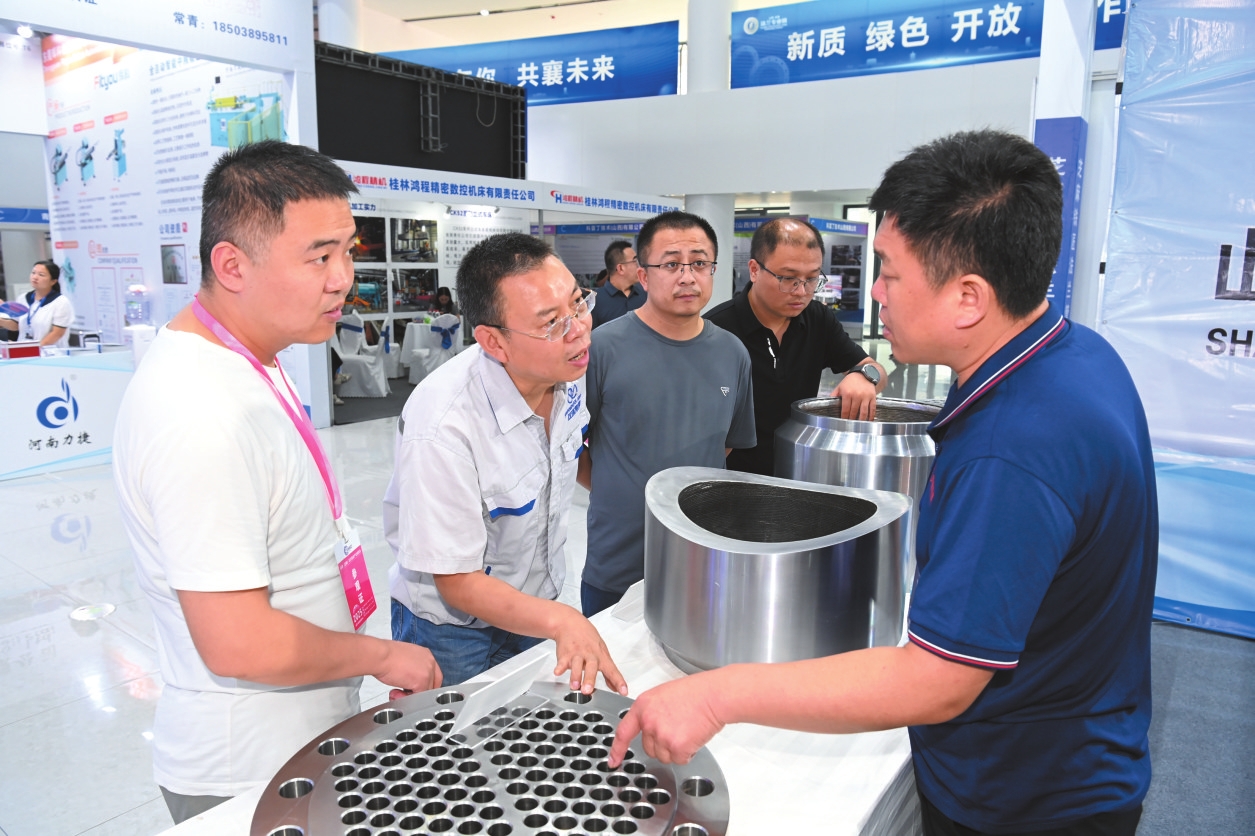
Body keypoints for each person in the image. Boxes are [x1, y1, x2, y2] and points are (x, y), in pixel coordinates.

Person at [609, 130, 1158, 836]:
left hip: (1025, 793)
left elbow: (936, 681)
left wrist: (716, 696)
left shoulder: (1012, 446)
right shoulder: (1076, 355)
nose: (874, 293)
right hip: (1069, 752)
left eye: (891, 274)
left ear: (967, 296)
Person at [112, 141, 442, 824]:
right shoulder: (200, 413)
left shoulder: (249, 357)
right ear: (231, 265)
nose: (343, 279)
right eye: (318, 257)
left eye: (347, 251)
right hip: (246, 769)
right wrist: (382, 656)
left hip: (298, 738)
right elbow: (239, 642)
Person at [384, 233, 627, 695]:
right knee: (459, 736)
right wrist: (562, 620)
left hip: (533, 606)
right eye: (551, 322)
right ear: (494, 341)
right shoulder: (444, 425)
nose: (578, 329)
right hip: (452, 629)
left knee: (523, 725)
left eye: (578, 304)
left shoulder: (566, 373)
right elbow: (457, 582)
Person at [579, 211, 756, 616]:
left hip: (702, 557)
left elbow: (725, 445)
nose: (687, 277)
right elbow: (569, 447)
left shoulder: (732, 353)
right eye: (672, 264)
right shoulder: (601, 348)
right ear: (643, 276)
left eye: (699, 263)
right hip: (619, 560)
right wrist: (615, 489)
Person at [706, 218, 887, 476]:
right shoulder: (717, 330)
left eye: (812, 279)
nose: (801, 291)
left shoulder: (818, 319)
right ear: (755, 270)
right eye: (788, 278)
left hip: (800, 471)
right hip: (732, 477)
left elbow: (875, 369)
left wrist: (864, 377)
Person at [0, 260, 74, 348]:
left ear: (53, 281)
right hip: (24, 351)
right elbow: (16, 325)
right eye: (33, 273)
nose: (35, 277)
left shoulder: (61, 302)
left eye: (41, 275)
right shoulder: (23, 298)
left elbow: (57, 333)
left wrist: (35, 349)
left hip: (50, 353)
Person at [590, 240, 646, 327]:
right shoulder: (595, 301)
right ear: (620, 268)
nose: (639, 267)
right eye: (635, 261)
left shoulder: (645, 295)